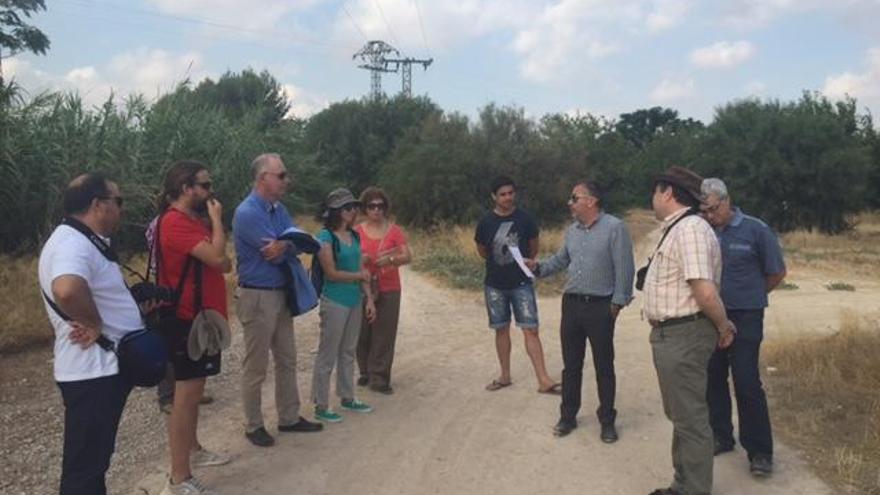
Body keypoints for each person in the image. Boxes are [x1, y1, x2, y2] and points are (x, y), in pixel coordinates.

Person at [39, 173, 141, 495]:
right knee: (84, 473)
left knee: (93, 463)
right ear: (98, 205)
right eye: (118, 202)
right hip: (91, 371)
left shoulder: (81, 240)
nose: (120, 210)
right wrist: (95, 324)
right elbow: (67, 289)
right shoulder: (72, 242)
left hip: (99, 370)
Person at [642, 166, 737, 495]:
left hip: (684, 334)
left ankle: (694, 489)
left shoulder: (691, 229)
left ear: (667, 192)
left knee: (691, 419)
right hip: (674, 335)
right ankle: (682, 485)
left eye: (655, 192)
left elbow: (705, 292)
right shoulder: (681, 228)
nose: (652, 199)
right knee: (683, 414)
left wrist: (724, 326)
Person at [526, 181, 634, 443]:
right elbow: (561, 261)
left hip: (600, 306)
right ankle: (568, 416)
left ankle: (607, 420)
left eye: (574, 198)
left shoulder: (614, 228)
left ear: (591, 201)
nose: (569, 203)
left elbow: (624, 268)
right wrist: (537, 267)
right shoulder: (572, 231)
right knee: (571, 365)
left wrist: (617, 303)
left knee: (603, 365)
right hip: (572, 305)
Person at [233, 153, 324, 447]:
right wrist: (290, 244)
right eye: (281, 175)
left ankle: (289, 417)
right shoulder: (247, 213)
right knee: (256, 365)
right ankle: (253, 424)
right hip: (258, 295)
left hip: (280, 293)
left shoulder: (278, 209)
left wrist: (286, 243)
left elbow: (293, 245)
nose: (287, 180)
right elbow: (273, 251)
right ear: (263, 179)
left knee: (287, 358)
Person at [701, 178, 786, 477]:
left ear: (726, 201)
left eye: (713, 209)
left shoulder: (755, 229)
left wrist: (752, 295)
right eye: (705, 211)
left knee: (747, 382)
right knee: (713, 378)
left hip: (746, 317)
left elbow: (776, 272)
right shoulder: (704, 232)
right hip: (711, 317)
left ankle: (760, 451)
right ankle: (721, 436)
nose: (710, 216)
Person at [157, 160, 232, 495]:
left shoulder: (191, 221)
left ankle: (195, 451)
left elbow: (223, 260)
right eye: (204, 185)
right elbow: (218, 259)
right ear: (186, 188)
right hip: (187, 319)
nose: (209, 191)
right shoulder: (175, 223)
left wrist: (216, 246)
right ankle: (178, 477)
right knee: (184, 397)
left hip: (203, 317)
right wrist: (217, 221)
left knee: (196, 391)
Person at [474, 175, 559, 394]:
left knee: (531, 329)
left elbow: (533, 247)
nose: (508, 198)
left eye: (511, 193)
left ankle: (543, 379)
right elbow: (483, 251)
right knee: (501, 329)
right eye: (503, 194)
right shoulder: (485, 222)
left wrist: (523, 265)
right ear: (494, 196)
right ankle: (505, 375)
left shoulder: (525, 219)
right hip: (495, 284)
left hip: (521, 282)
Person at [310, 188, 376, 423]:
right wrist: (359, 277)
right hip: (335, 300)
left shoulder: (355, 236)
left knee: (348, 351)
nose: (354, 211)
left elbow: (363, 271)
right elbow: (331, 273)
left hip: (353, 299)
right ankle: (320, 403)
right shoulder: (325, 237)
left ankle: (348, 397)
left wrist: (368, 297)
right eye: (348, 208)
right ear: (336, 211)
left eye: (355, 207)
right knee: (328, 353)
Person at [355, 187, 411, 394]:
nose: (376, 210)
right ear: (365, 208)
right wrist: (360, 259)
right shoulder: (357, 232)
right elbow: (347, 256)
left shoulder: (394, 231)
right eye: (371, 206)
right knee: (362, 330)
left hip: (389, 285)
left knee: (385, 332)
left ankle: (380, 376)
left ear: (385, 208)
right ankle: (365, 371)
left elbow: (407, 256)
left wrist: (390, 259)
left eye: (380, 206)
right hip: (362, 285)